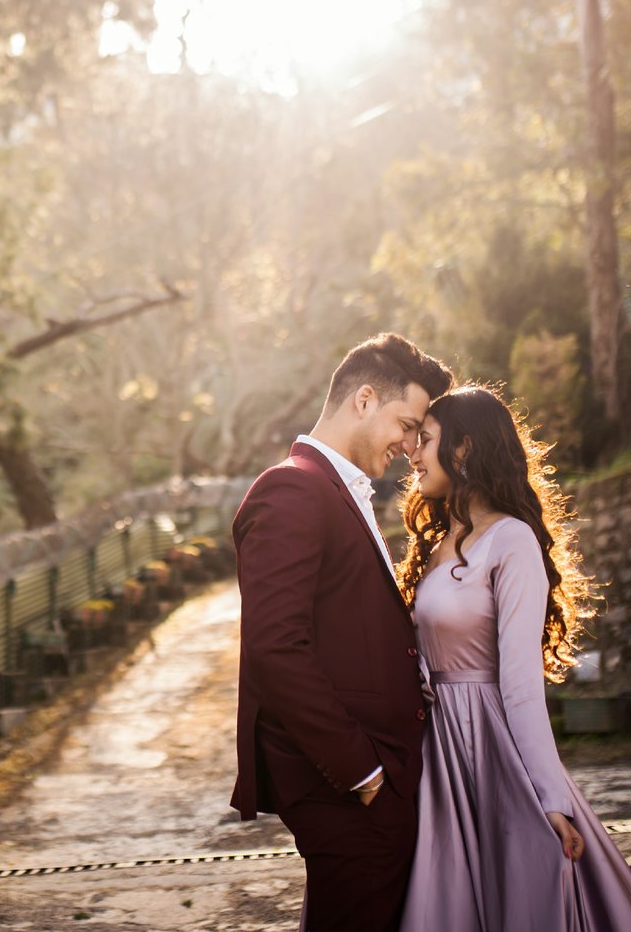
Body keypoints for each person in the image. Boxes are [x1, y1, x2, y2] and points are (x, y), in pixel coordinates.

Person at [395, 385, 631, 931]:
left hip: (488, 747)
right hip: (433, 751)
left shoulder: (511, 541)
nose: (412, 452)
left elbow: (520, 684)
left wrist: (548, 796)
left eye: (425, 439)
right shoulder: (435, 544)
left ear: (464, 449)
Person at [231, 332, 453, 932]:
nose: (410, 446)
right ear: (363, 401)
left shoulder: (337, 490)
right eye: (406, 425)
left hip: (372, 785)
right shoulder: (291, 489)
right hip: (346, 787)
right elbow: (277, 646)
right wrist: (364, 774)